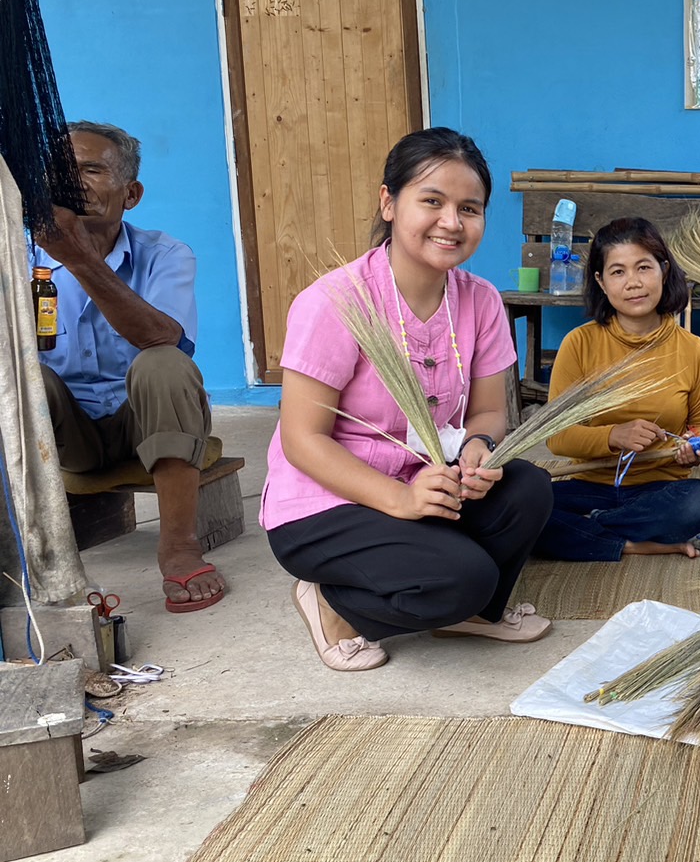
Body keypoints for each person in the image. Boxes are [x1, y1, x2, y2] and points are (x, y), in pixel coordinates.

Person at [261, 128, 553, 671]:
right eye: (432, 201)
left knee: (529, 487)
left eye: (470, 208)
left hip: (426, 482)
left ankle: (474, 613)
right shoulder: (334, 303)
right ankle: (333, 605)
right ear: (389, 203)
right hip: (328, 502)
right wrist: (399, 501)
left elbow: (489, 413)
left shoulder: (482, 300)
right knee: (463, 578)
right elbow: (303, 441)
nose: (452, 222)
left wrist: (478, 450)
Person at [33, 121, 226, 612]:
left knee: (163, 364)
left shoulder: (166, 254)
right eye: (59, 173)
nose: (71, 184)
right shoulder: (18, 257)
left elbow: (165, 339)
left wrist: (80, 261)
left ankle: (179, 546)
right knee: (17, 375)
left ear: (131, 194)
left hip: (146, 422)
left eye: (91, 170)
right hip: (66, 434)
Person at [534, 217, 700, 560]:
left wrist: (693, 446)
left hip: (660, 490)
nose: (633, 282)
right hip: (588, 484)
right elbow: (556, 437)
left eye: (643, 267)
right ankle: (632, 544)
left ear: (664, 271)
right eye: (618, 271)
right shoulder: (579, 344)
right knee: (515, 504)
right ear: (601, 282)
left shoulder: (693, 350)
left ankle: (590, 530)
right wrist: (613, 436)